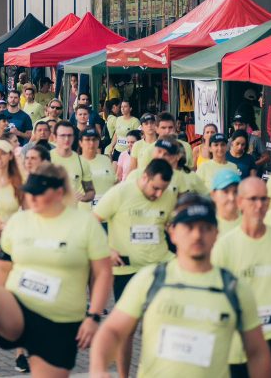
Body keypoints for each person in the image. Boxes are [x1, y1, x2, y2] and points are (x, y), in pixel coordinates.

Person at [90, 194, 271, 378]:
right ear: (173, 233)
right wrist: (98, 368)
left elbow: (257, 352)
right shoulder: (151, 279)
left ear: (216, 234)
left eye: (205, 228)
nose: (197, 235)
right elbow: (112, 331)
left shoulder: (235, 288)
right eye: (189, 227)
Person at [0, 162, 112, 377]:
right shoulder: (19, 221)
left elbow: (103, 273)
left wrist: (93, 317)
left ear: (59, 192)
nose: (31, 198)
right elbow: (3, 267)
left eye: (38, 193)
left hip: (60, 321)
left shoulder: (85, 224)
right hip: (19, 311)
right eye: (29, 192)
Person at [93, 159, 176, 377]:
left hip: (160, 268)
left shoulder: (167, 196)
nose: (159, 195)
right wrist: (106, 250)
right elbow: (92, 221)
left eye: (163, 190)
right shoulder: (120, 193)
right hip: (126, 271)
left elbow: (171, 227)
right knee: (126, 331)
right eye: (155, 188)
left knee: (160, 326)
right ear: (144, 177)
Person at [213, 177, 271, 375]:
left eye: (264, 199)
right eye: (253, 199)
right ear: (240, 202)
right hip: (238, 343)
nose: (259, 205)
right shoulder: (224, 246)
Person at [50, 121, 95, 209]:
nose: (66, 139)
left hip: (72, 214)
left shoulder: (81, 161)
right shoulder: (46, 158)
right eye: (62, 135)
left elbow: (90, 191)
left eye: (69, 135)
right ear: (55, 137)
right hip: (48, 214)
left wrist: (84, 197)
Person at [80, 127, 116, 210]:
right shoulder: (75, 162)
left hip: (105, 213)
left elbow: (114, 183)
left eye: (94, 139)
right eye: (87, 140)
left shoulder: (106, 160)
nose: (91, 143)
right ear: (80, 143)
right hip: (84, 214)